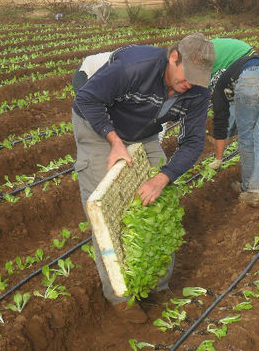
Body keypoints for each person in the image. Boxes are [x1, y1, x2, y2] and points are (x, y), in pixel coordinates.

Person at [71, 33, 215, 323]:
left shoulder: (197, 91)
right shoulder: (136, 67)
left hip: (143, 128)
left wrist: (163, 177)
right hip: (99, 122)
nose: (189, 86)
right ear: (174, 57)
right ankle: (121, 297)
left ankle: (156, 283)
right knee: (107, 208)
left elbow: (193, 143)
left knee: (161, 203)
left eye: (196, 81)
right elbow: (87, 99)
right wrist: (114, 142)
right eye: (186, 77)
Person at [207, 38, 259, 208]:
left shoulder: (219, 86)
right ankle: (257, 190)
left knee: (247, 137)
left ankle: (247, 186)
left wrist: (219, 159)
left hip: (251, 78)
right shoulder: (231, 73)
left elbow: (220, 121)